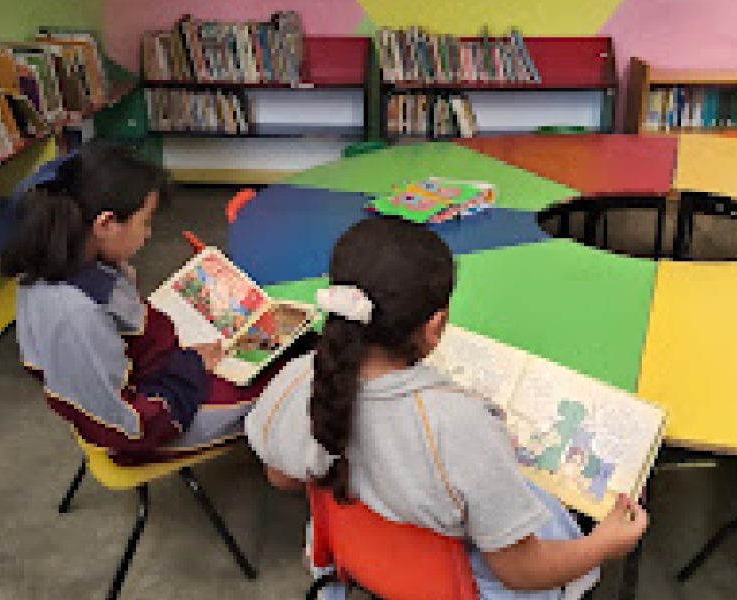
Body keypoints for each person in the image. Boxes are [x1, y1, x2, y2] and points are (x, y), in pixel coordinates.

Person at [244, 217, 648, 599]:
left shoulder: (295, 380)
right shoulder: (459, 427)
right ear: (435, 326)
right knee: (562, 513)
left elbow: (282, 477)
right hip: (454, 587)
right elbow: (520, 570)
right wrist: (603, 544)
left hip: (355, 560)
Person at [1, 141, 280, 466]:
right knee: (286, 383)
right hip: (153, 421)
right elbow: (130, 427)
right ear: (105, 224)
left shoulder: (67, 261)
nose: (149, 234)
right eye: (145, 222)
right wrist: (191, 366)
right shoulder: (77, 315)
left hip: (160, 372)